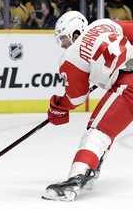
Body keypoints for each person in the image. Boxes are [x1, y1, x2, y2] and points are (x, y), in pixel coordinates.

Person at [42, 10, 133, 201]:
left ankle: (77, 178)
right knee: (106, 127)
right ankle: (92, 168)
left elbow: (76, 98)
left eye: (65, 40)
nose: (64, 46)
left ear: (76, 33)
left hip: (128, 85)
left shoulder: (71, 55)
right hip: (125, 77)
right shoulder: (104, 24)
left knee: (98, 132)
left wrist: (59, 105)